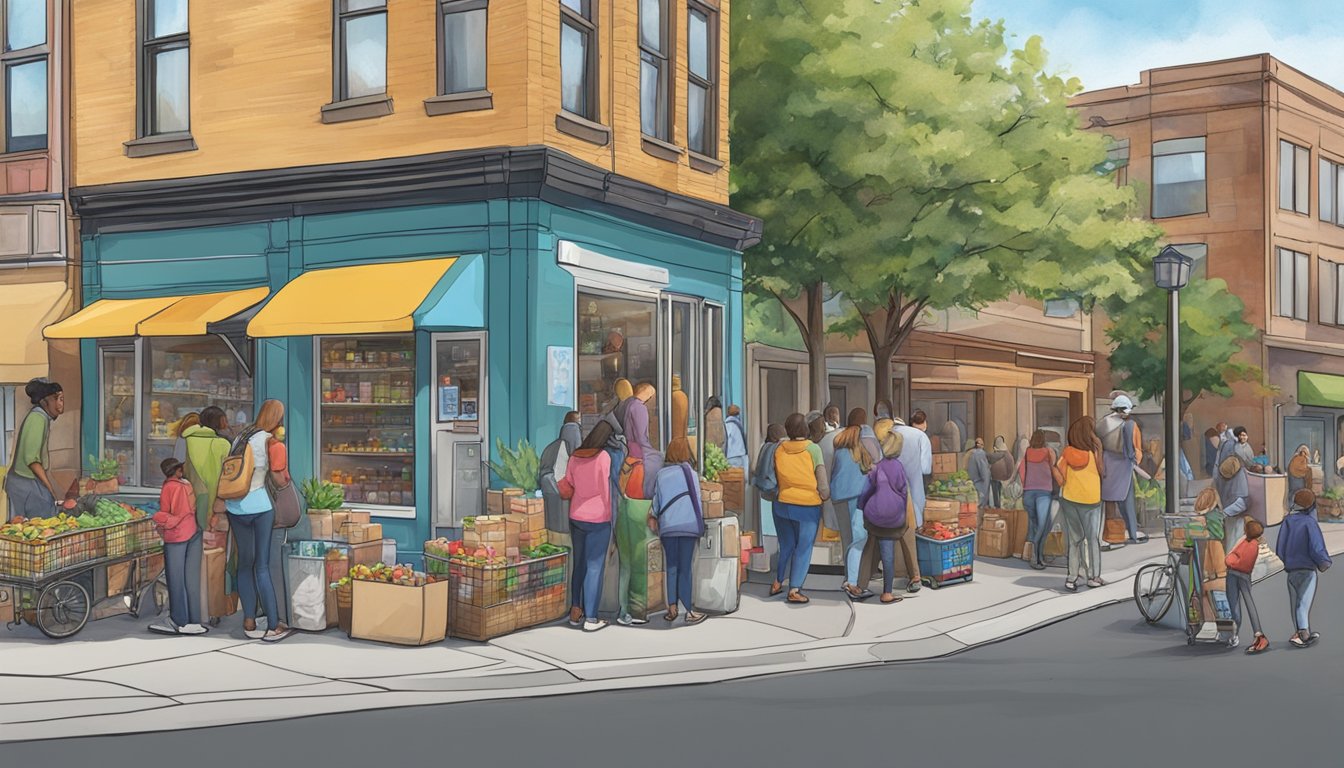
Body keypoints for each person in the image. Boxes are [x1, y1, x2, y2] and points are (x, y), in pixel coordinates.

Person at [223, 399, 293, 642]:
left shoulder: (240, 437)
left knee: (244, 564)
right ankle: (274, 625)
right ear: (277, 419)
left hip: (235, 507)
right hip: (260, 507)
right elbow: (280, 478)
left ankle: (249, 621)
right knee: (261, 566)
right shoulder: (270, 441)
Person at [559, 421, 616, 633]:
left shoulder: (575, 457)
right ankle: (591, 618)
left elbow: (569, 483)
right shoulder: (604, 458)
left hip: (576, 515)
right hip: (599, 518)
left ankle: (576, 611)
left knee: (579, 564)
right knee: (594, 567)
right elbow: (605, 489)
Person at [772, 413, 830, 604]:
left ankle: (778, 580)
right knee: (803, 548)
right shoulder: (813, 449)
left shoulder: (779, 449)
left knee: (787, 545)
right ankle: (794, 589)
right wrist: (825, 495)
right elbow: (822, 483)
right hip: (807, 506)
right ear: (806, 429)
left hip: (782, 503)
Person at [648, 438, 707, 625]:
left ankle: (672, 608)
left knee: (671, 567)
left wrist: (653, 516)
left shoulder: (661, 475)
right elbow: (697, 501)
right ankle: (689, 610)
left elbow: (656, 502)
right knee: (685, 569)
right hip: (688, 525)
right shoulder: (691, 473)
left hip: (668, 526)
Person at [184, 406, 233, 624]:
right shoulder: (223, 444)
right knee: (217, 563)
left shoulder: (189, 440)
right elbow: (228, 479)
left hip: (191, 509)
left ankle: (195, 610)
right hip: (217, 511)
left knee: (195, 562)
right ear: (221, 422)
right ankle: (213, 611)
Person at [151, 458, 207, 636]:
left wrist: (159, 519)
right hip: (194, 532)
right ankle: (194, 620)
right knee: (191, 580)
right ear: (177, 470)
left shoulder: (169, 487)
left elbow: (170, 513)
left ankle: (179, 621)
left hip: (177, 535)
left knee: (176, 579)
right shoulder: (187, 485)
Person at [855, 430, 913, 604]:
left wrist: (861, 506)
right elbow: (903, 491)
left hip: (875, 517)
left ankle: (860, 585)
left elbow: (866, 491)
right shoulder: (899, 468)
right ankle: (887, 592)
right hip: (893, 518)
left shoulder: (877, 467)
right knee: (888, 554)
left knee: (869, 549)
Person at [1053, 416, 1106, 592]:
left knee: (1075, 540)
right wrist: (1100, 449)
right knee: (1092, 540)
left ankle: (1072, 577)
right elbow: (1102, 471)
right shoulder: (1093, 452)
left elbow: (1058, 473)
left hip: (1069, 500)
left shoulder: (1067, 452)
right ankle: (1093, 576)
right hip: (1091, 500)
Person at [1275, 489, 1332, 648]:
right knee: (1303, 603)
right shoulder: (1310, 523)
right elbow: (1316, 547)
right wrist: (1324, 563)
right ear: (1311, 506)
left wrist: (1286, 560)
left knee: (1295, 604)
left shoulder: (1287, 521)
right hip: (1307, 570)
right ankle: (1303, 634)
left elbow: (1280, 548)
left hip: (1291, 570)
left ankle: (1299, 632)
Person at [5, 379, 64, 520]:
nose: (61, 404)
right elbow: (32, 460)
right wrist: (50, 489)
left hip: (26, 481)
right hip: (24, 482)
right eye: (59, 399)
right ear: (46, 401)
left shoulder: (41, 418)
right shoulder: (37, 419)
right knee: (45, 519)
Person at [831, 409, 875, 599]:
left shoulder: (839, 444)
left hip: (839, 496)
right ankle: (853, 582)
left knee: (847, 539)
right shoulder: (864, 444)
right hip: (857, 496)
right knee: (859, 539)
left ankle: (848, 579)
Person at [890, 410, 932, 592]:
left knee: (889, 534)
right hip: (913, 492)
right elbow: (925, 468)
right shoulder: (920, 437)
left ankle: (894, 573)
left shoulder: (887, 436)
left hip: (889, 494)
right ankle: (914, 574)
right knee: (911, 532)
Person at [1097, 395, 1146, 544]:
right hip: (1123, 463)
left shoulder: (1103, 423)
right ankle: (1131, 533)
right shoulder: (1130, 425)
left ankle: (1107, 534)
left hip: (1106, 462)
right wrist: (1136, 460)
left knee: (1107, 500)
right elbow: (1135, 449)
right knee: (1127, 500)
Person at [1225, 518, 1268, 654]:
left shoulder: (1250, 545)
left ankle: (1257, 634)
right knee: (1235, 604)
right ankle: (1235, 633)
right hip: (1236, 575)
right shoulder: (1247, 542)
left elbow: (1235, 560)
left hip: (1238, 575)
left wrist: (1230, 560)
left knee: (1242, 603)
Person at [539, 412, 582, 534]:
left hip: (549, 498)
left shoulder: (551, 447)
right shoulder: (568, 446)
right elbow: (561, 478)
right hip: (562, 499)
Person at [1020, 430, 1057, 570]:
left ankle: (1038, 556)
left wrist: (1026, 485)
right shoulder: (1049, 452)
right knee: (1043, 525)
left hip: (1028, 492)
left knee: (1035, 525)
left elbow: (1022, 472)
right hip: (1043, 492)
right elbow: (1054, 468)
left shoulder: (1027, 452)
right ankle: (1036, 556)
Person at [621, 382, 659, 500]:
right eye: (652, 395)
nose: (653, 399)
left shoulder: (629, 404)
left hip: (630, 451)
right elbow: (641, 436)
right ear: (647, 393)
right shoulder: (639, 408)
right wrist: (650, 451)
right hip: (639, 454)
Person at [1214, 456, 1251, 554]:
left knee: (1234, 543)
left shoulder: (1241, 478)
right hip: (1226, 515)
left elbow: (1242, 503)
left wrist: (1224, 512)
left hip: (1236, 517)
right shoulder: (1222, 476)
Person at [987, 436, 1013, 508]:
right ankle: (998, 505)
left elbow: (989, 458)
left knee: (996, 493)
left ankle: (997, 505)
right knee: (1000, 494)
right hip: (1005, 478)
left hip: (997, 478)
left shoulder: (999, 454)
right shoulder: (1008, 454)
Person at [966, 437, 992, 509]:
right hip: (980, 485)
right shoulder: (980, 454)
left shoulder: (971, 454)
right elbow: (984, 473)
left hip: (973, 484)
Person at [724, 405, 750, 471]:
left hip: (731, 456)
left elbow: (724, 439)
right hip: (741, 455)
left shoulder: (727, 425)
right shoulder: (738, 424)